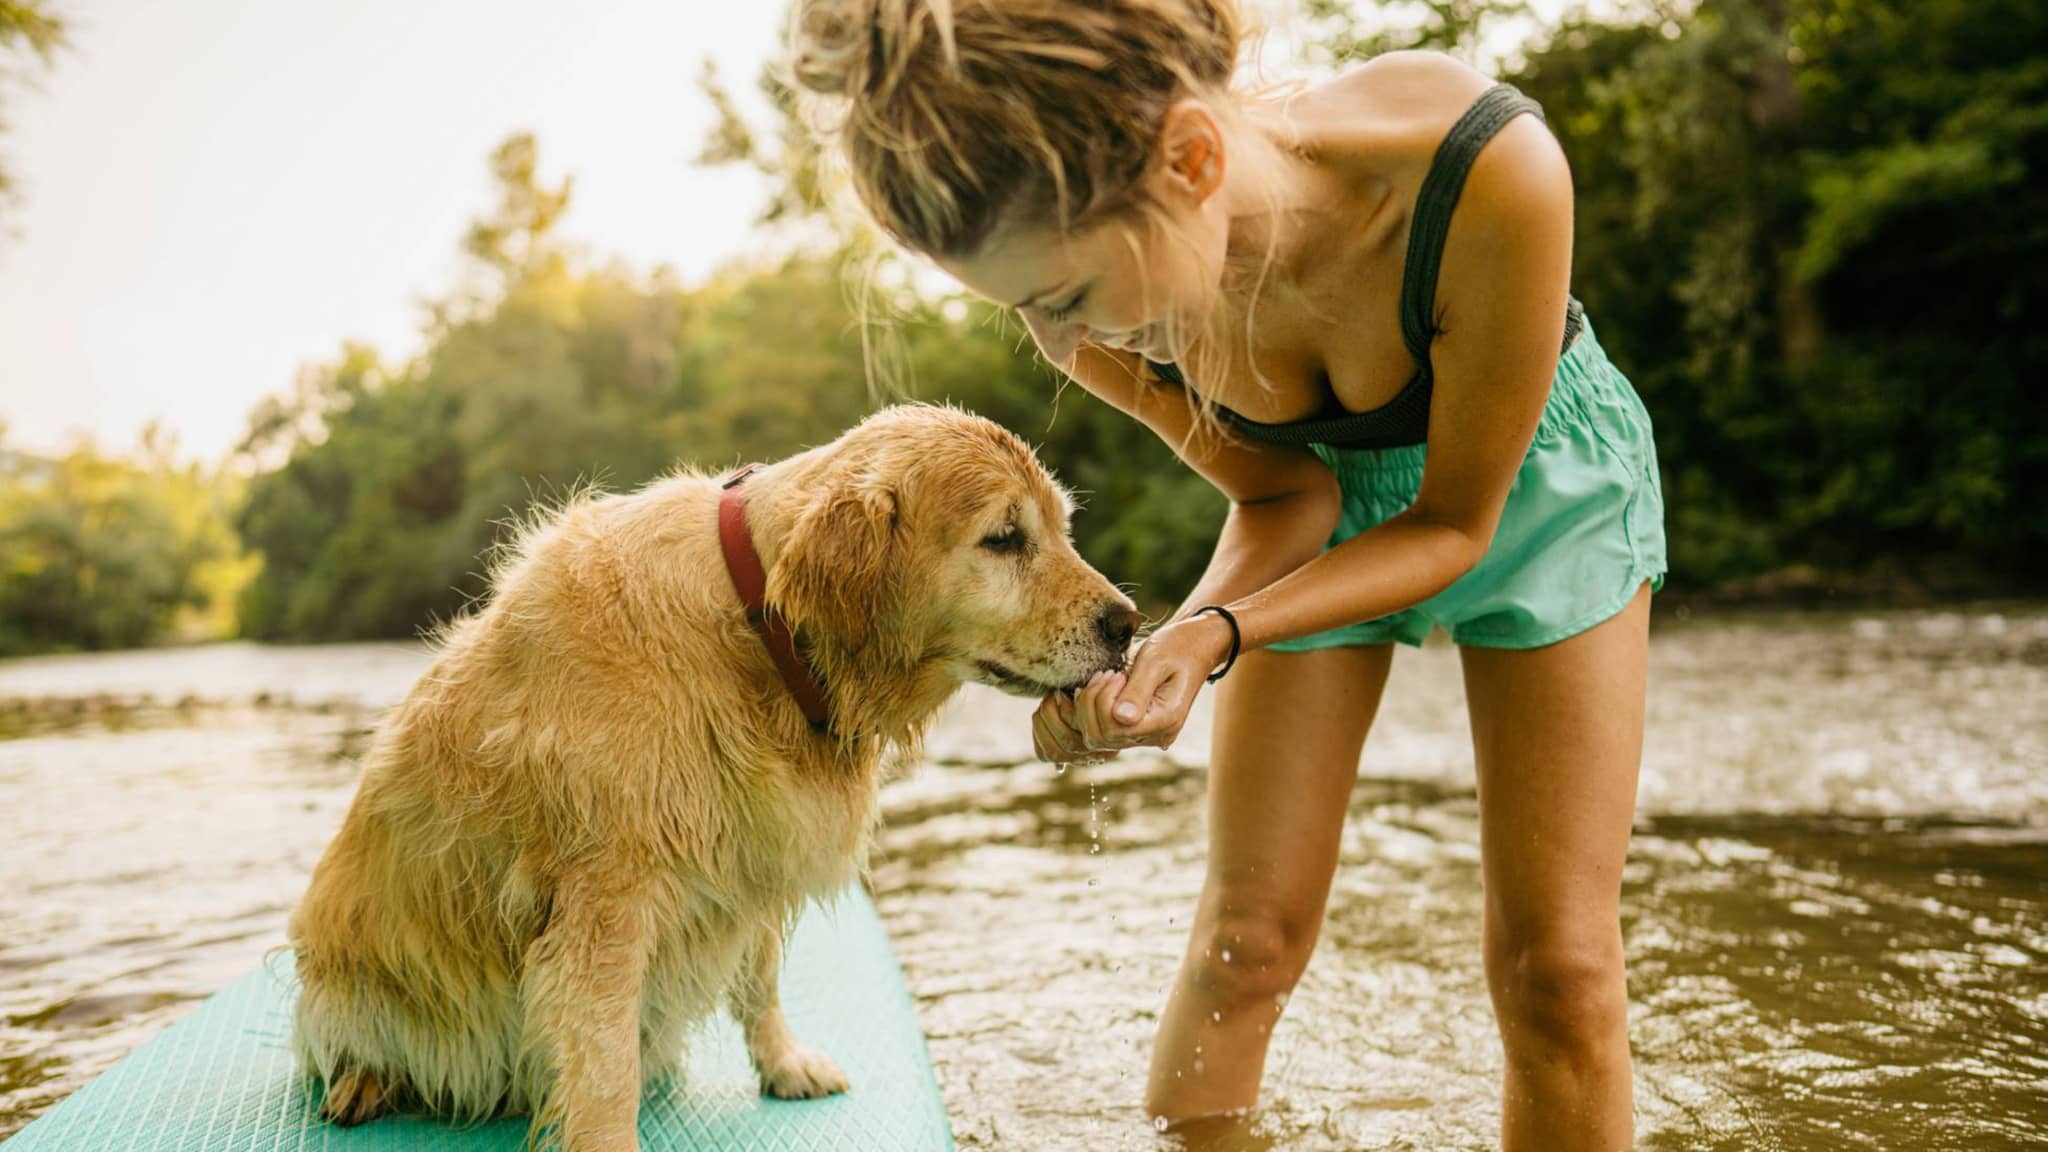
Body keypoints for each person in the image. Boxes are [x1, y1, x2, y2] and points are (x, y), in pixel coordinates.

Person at [790, 1, 1666, 1147]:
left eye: (1059, 299)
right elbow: (1286, 497)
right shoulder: (1091, 305)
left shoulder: (1485, 172)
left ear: (1190, 161)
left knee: (1557, 969)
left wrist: (1217, 634)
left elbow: (1452, 525)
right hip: (1321, 508)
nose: (1059, 339)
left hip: (1538, 489)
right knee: (1242, 941)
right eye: (1026, 308)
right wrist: (1166, 656)